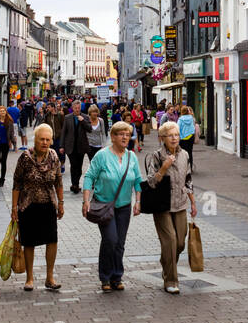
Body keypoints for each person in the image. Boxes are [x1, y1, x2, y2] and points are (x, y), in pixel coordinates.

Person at [82, 122, 145, 292]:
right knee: (110, 239)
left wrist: (138, 201)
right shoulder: (102, 156)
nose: (125, 137)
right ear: (113, 137)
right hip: (104, 205)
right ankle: (105, 276)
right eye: (121, 134)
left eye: (127, 134)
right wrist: (86, 200)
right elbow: (89, 177)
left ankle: (117, 277)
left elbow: (138, 181)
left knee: (120, 243)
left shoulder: (131, 157)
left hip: (124, 206)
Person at [145, 121, 197, 293]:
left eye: (176, 135)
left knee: (180, 243)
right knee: (170, 240)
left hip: (180, 202)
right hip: (162, 205)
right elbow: (151, 182)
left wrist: (193, 202)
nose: (174, 138)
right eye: (170, 135)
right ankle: (171, 281)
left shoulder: (185, 155)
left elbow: (188, 178)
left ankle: (166, 262)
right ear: (162, 138)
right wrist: (164, 167)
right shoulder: (156, 156)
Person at [12, 124, 65, 291]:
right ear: (35, 139)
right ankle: (30, 278)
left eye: (48, 139)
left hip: (48, 204)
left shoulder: (54, 156)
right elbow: (17, 183)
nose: (45, 142)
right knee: (29, 241)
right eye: (41, 139)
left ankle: (49, 277)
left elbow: (58, 181)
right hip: (28, 204)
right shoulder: (26, 157)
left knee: (52, 239)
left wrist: (61, 203)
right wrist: (14, 207)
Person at [62, 100, 88, 193]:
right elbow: (64, 132)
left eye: (79, 108)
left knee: (79, 167)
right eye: (75, 108)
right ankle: (74, 185)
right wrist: (62, 146)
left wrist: (83, 121)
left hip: (81, 146)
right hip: (70, 146)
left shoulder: (85, 117)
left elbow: (89, 129)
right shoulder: (67, 117)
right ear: (72, 108)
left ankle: (76, 183)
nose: (77, 110)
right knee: (73, 165)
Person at [0, 105, 14, 186]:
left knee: (3, 161)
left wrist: (13, 143)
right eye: (1, 111)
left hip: (5, 143)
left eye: (4, 111)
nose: (2, 112)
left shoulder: (9, 121)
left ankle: (2, 179)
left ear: (6, 112)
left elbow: (12, 133)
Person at [177, 105, 198, 174]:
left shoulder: (180, 119)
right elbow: (193, 127)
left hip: (183, 138)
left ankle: (184, 168)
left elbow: (178, 128)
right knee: (190, 152)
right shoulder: (191, 118)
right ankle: (190, 167)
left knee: (182, 154)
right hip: (190, 137)